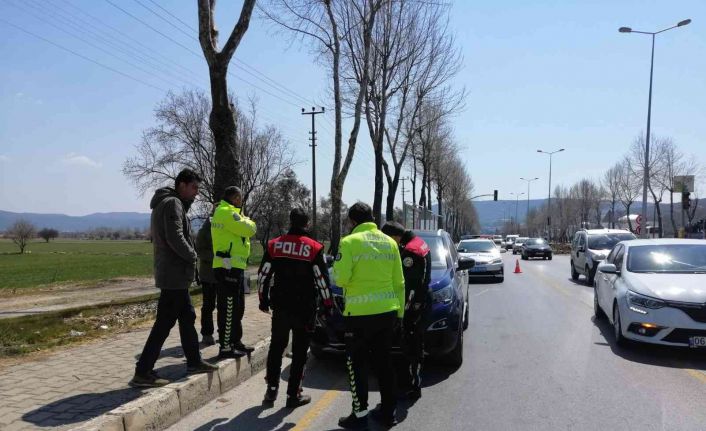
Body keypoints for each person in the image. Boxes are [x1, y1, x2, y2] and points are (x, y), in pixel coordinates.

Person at [130, 169, 218, 388]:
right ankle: (143, 372)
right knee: (165, 323)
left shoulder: (170, 203)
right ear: (182, 185)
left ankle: (194, 362)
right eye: (194, 187)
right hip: (173, 273)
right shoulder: (172, 204)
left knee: (186, 317)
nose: (196, 193)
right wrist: (193, 255)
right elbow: (175, 237)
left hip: (174, 273)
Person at [333, 202, 405, 429]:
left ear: (353, 222)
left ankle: (360, 415)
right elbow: (399, 283)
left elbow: (340, 279)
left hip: (359, 316)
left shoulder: (349, 242)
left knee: (357, 365)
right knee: (384, 363)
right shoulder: (390, 243)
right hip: (388, 313)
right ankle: (389, 411)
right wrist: (400, 315)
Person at [258, 208, 333, 408]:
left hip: (281, 307)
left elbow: (263, 275)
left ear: (290, 222)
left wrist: (262, 300)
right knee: (300, 352)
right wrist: (328, 306)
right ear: (307, 224)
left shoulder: (275, 245)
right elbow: (322, 281)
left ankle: (271, 391)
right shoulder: (315, 248)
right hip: (305, 308)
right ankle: (293, 395)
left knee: (276, 347)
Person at [381, 222, 432, 400]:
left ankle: (413, 386)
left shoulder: (410, 252)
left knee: (412, 346)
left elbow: (409, 287)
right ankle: (412, 382)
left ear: (395, 236)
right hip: (423, 300)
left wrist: (402, 313)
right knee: (415, 345)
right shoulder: (419, 242)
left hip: (415, 305)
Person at [211, 186, 257, 359]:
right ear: (236, 197)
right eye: (241, 197)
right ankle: (225, 347)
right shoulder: (226, 212)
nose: (242, 200)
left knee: (238, 307)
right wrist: (247, 221)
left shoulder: (231, 212)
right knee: (228, 307)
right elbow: (250, 229)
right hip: (226, 266)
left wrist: (245, 219)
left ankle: (235, 341)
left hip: (236, 266)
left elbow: (246, 227)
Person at [195, 208, 217, 346]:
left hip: (224, 273)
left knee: (225, 306)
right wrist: (216, 258)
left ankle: (224, 334)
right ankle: (207, 333)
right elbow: (200, 249)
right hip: (209, 274)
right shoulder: (205, 229)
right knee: (208, 305)